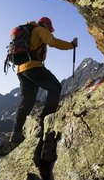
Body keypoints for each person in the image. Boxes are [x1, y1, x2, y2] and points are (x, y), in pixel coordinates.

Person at [9, 17, 78, 146]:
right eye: (50, 29)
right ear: (47, 25)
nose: (50, 32)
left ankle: (16, 133)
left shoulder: (28, 31)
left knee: (27, 100)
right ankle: (45, 122)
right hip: (33, 66)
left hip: (21, 70)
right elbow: (53, 42)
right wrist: (71, 45)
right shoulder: (40, 30)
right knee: (55, 87)